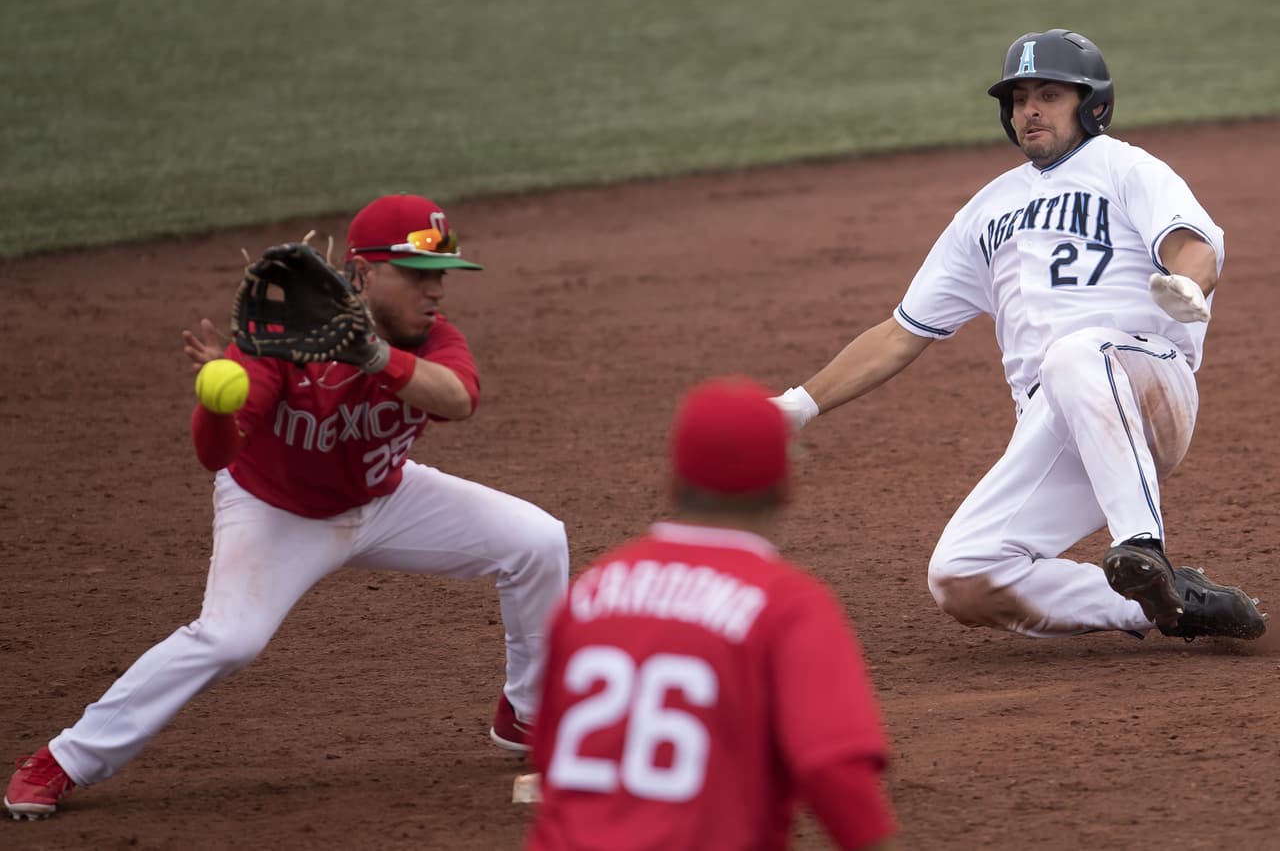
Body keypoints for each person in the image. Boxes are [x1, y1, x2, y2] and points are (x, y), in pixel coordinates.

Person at [4, 193, 570, 820]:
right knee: (228, 640)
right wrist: (216, 406)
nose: (435, 290)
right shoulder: (281, 340)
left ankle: (526, 714)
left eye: (440, 274)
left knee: (537, 541)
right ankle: (63, 760)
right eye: (416, 274)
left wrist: (374, 355)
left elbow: (459, 398)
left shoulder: (432, 338)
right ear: (363, 273)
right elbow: (215, 455)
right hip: (276, 511)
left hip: (385, 498)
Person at [770, 29, 1266, 642]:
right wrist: (799, 404)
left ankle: (1143, 544)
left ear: (1092, 105)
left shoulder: (1127, 168)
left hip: (1146, 385)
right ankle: (1169, 604)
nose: (1030, 110)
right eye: (1019, 98)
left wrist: (1186, 283)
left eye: (1049, 95)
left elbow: (1192, 244)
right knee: (962, 574)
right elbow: (900, 332)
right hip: (1059, 419)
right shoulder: (985, 210)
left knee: (1074, 353)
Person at [527, 378, 896, 851]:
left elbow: (548, 748)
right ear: (785, 487)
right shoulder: (788, 603)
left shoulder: (591, 589)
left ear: (674, 483)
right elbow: (834, 769)